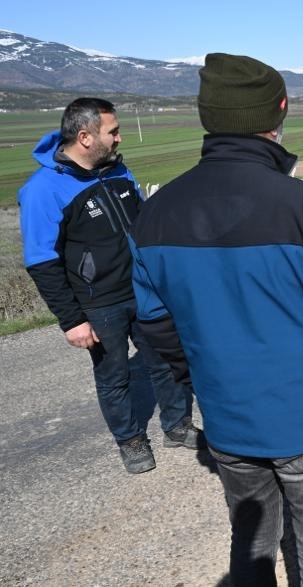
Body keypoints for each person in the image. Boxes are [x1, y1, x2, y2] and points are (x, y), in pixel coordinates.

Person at [128, 53, 303, 586]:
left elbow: (157, 327)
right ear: (278, 114)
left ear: (207, 116)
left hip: (229, 417)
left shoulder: (155, 215)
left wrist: (200, 381)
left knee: (253, 543)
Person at [18, 97, 201, 475]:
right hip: (98, 303)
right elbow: (41, 261)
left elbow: (143, 227)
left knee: (166, 360)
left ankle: (177, 425)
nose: (119, 138)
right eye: (112, 131)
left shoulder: (119, 172)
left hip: (145, 292)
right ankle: (130, 440)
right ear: (85, 137)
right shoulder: (43, 190)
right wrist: (72, 320)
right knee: (114, 377)